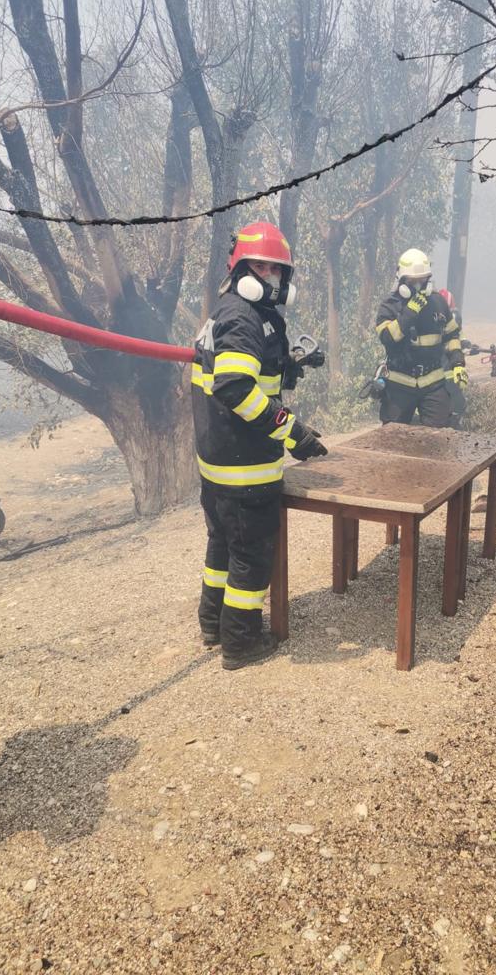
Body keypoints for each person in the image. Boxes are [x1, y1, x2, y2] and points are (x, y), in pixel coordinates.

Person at [191, 221, 327, 670]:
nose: (271, 276)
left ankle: (213, 624)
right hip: (244, 468)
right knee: (250, 556)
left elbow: (249, 370)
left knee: (222, 548)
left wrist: (288, 364)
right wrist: (293, 431)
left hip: (219, 464)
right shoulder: (242, 317)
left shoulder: (235, 312)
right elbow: (235, 388)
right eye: (262, 267)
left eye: (277, 269)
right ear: (241, 270)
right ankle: (241, 643)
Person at [375, 248, 467, 426]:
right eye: (412, 281)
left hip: (433, 383)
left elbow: (452, 335)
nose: (418, 285)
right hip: (399, 384)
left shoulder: (438, 303)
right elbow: (387, 338)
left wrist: (458, 363)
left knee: (439, 435)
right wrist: (409, 313)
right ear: (402, 280)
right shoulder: (390, 306)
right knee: (393, 435)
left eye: (422, 280)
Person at [436, 288, 467, 429]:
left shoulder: (452, 318)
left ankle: (454, 420)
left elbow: (457, 334)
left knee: (458, 400)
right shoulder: (431, 316)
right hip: (441, 368)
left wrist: (464, 343)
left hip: (449, 367)